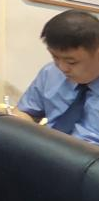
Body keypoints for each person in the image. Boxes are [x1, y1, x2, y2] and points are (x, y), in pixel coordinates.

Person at [14, 10, 99, 144]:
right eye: (55, 57)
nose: (62, 68)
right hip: (47, 149)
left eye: (71, 62)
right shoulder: (51, 73)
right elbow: (25, 112)